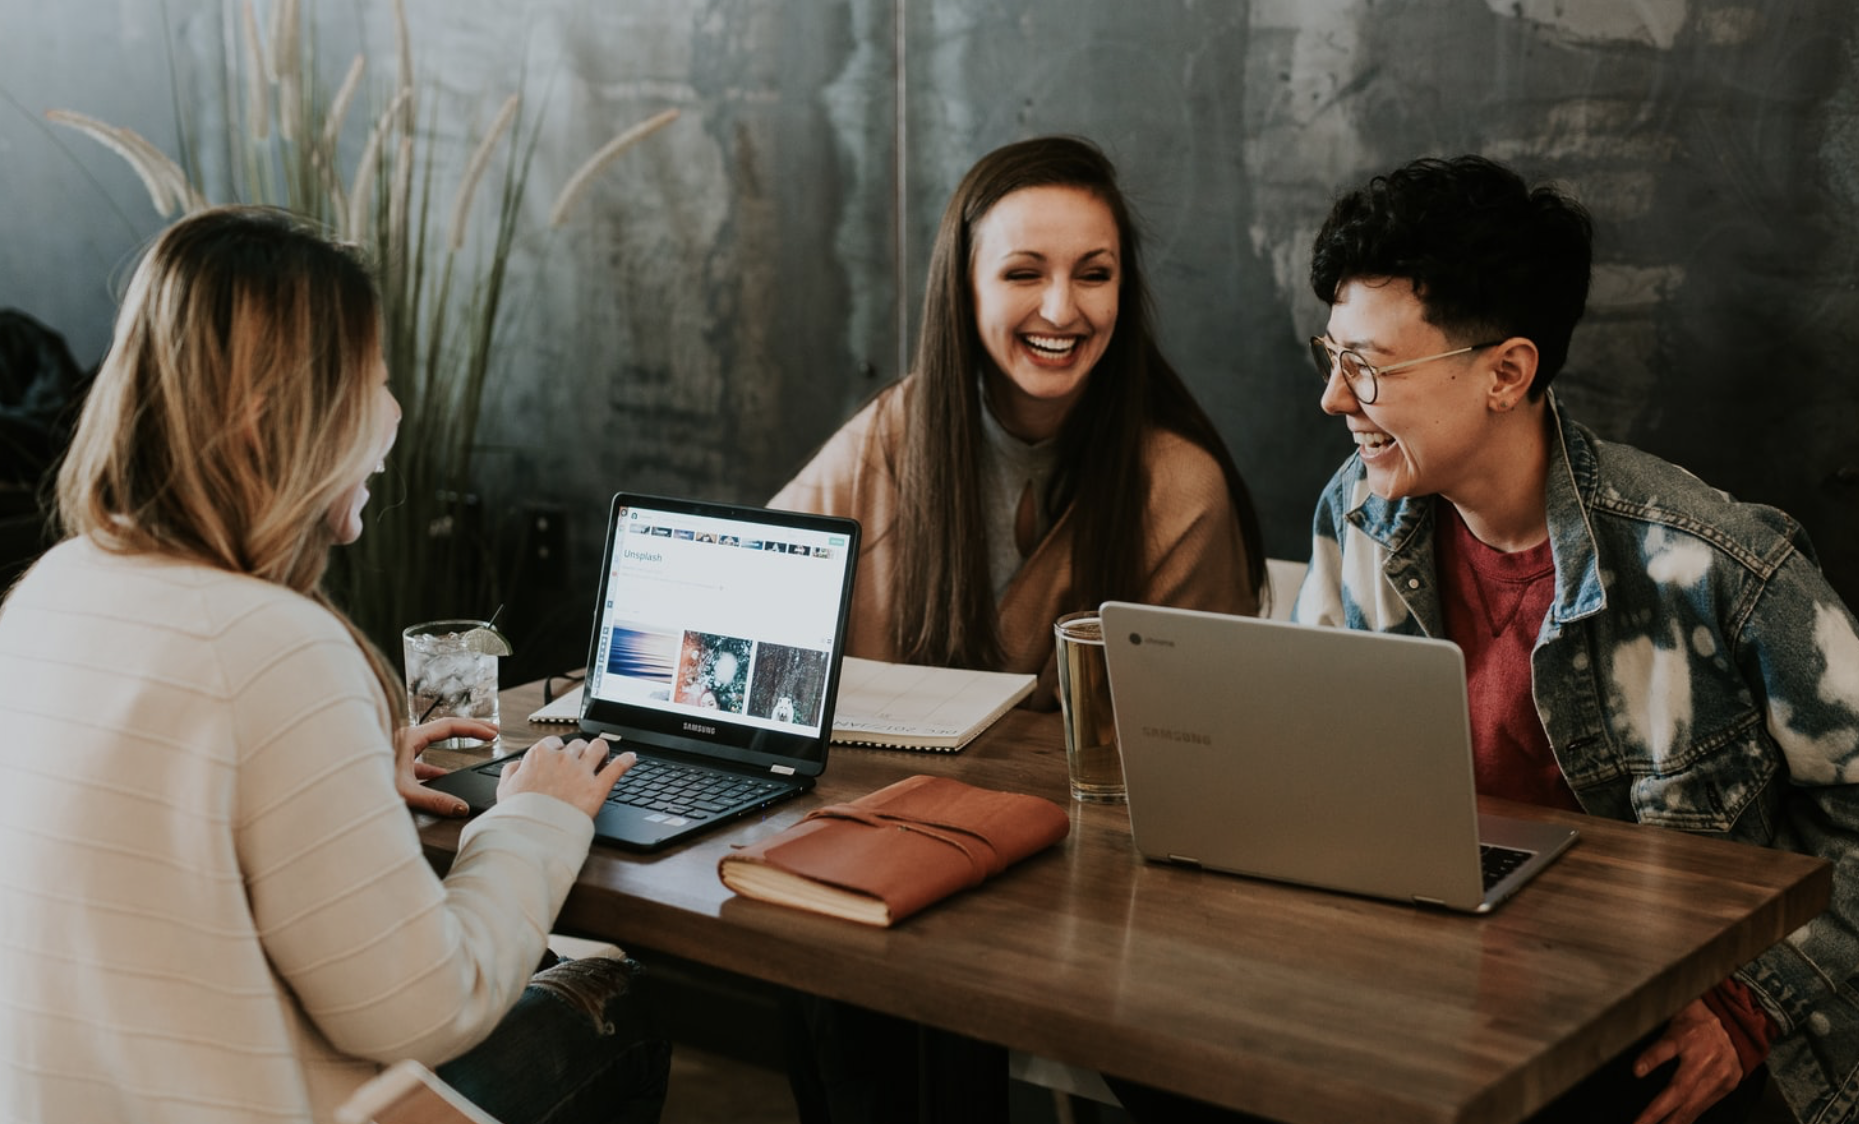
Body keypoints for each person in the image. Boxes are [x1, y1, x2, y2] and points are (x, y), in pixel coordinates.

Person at [0, 206, 669, 1124]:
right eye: (373, 380)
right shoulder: (275, 646)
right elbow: (423, 1011)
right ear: (276, 418)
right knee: (617, 994)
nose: (392, 416)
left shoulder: (51, 589)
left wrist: (343, 777)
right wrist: (535, 820)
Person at [1284, 155, 1859, 1124]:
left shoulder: (1713, 561)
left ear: (1506, 371)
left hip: (1649, 1024)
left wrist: (1752, 1000)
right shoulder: (1355, 516)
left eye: (1369, 366)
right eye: (1329, 356)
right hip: (1437, 990)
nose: (1334, 400)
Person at [771, 134, 1267, 710]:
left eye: (1094, 274)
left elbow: (1205, 732)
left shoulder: (1182, 489)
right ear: (965, 288)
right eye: (1023, 274)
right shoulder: (888, 437)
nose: (1061, 310)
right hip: (874, 798)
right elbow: (746, 595)